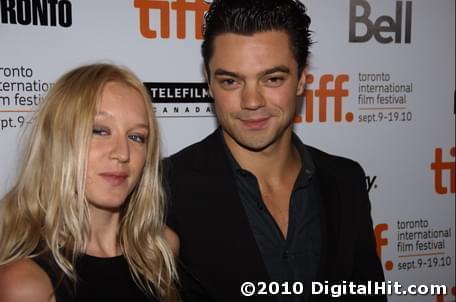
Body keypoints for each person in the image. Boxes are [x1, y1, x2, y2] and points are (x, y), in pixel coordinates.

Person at [164, 0, 386, 301]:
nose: (252, 101)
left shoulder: (346, 180)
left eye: (272, 79)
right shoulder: (164, 187)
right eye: (231, 81)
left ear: (302, 79)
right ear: (209, 82)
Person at [0, 63, 179, 302]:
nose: (122, 153)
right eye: (100, 130)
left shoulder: (161, 249)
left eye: (136, 137)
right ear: (57, 141)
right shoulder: (26, 284)